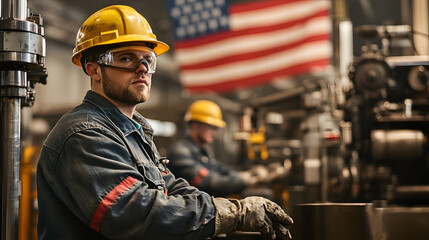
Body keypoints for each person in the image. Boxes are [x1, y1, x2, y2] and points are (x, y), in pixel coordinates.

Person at [36, 5, 293, 240]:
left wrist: (225, 212)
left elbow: (169, 186)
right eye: (127, 58)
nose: (142, 69)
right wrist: (229, 214)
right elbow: (131, 213)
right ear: (94, 70)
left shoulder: (135, 131)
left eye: (147, 60)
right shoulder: (84, 133)